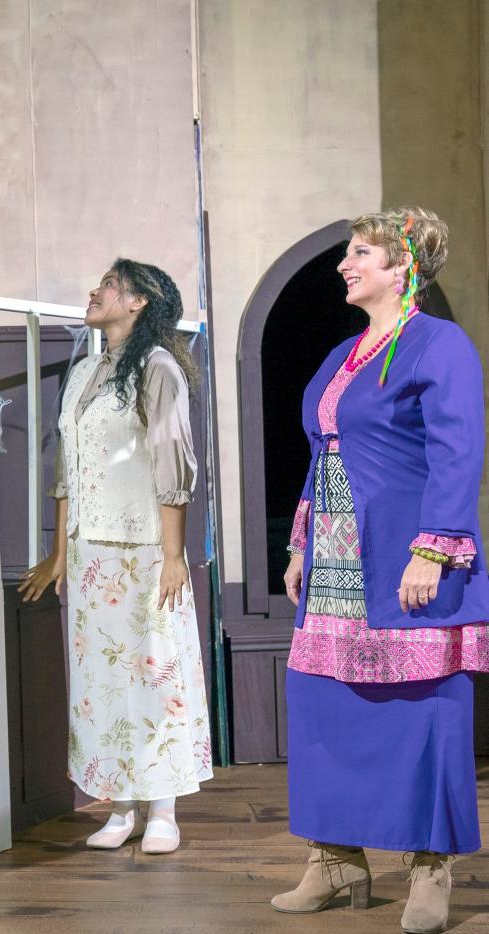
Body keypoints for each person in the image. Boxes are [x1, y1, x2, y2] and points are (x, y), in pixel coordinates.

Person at [269, 207, 489, 934]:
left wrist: (433, 548)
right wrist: (302, 545)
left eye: (361, 252)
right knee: (322, 701)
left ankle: (431, 865)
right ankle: (335, 859)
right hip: (336, 555)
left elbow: (459, 453)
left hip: (404, 554)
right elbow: (320, 456)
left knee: (426, 707)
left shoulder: (439, 344)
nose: (344, 264)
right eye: (347, 253)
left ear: (405, 269)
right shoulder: (342, 356)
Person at [18, 259, 212, 854]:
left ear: (138, 303)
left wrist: (174, 555)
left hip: (145, 550)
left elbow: (171, 463)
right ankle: (120, 805)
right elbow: (65, 471)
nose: (95, 290)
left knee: (154, 670)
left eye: (109, 285)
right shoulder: (81, 375)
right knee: (101, 681)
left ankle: (162, 807)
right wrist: (58, 552)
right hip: (90, 553)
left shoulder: (158, 369)